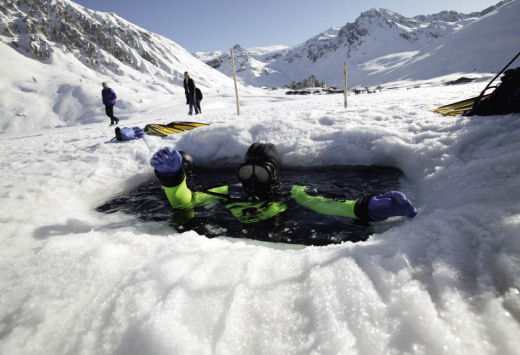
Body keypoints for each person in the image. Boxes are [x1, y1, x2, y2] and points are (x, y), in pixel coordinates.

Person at [150, 143, 417, 230]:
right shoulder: (229, 192)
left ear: (275, 175)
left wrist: (369, 207)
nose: (252, 181)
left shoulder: (293, 193)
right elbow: (185, 202)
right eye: (247, 172)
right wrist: (173, 178)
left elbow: (332, 205)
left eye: (260, 173)